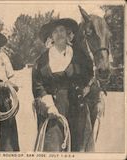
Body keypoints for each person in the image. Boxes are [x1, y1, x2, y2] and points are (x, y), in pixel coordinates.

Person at [32, 18, 95, 152]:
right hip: (54, 110)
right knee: (53, 147)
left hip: (77, 109)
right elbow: (38, 86)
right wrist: (49, 107)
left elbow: (90, 76)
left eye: (62, 30)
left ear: (68, 33)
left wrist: (87, 89)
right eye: (55, 32)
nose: (59, 34)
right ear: (51, 37)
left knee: (80, 149)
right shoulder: (41, 61)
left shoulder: (80, 56)